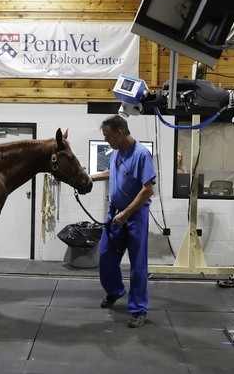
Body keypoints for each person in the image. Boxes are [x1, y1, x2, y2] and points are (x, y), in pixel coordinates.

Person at [91, 115, 156, 328]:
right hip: (115, 212)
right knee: (106, 255)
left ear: (119, 134)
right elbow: (113, 172)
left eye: (108, 136)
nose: (106, 140)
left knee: (138, 264)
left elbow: (148, 190)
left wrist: (127, 213)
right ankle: (115, 291)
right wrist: (90, 177)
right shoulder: (117, 152)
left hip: (135, 215)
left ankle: (138, 309)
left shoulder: (141, 155)